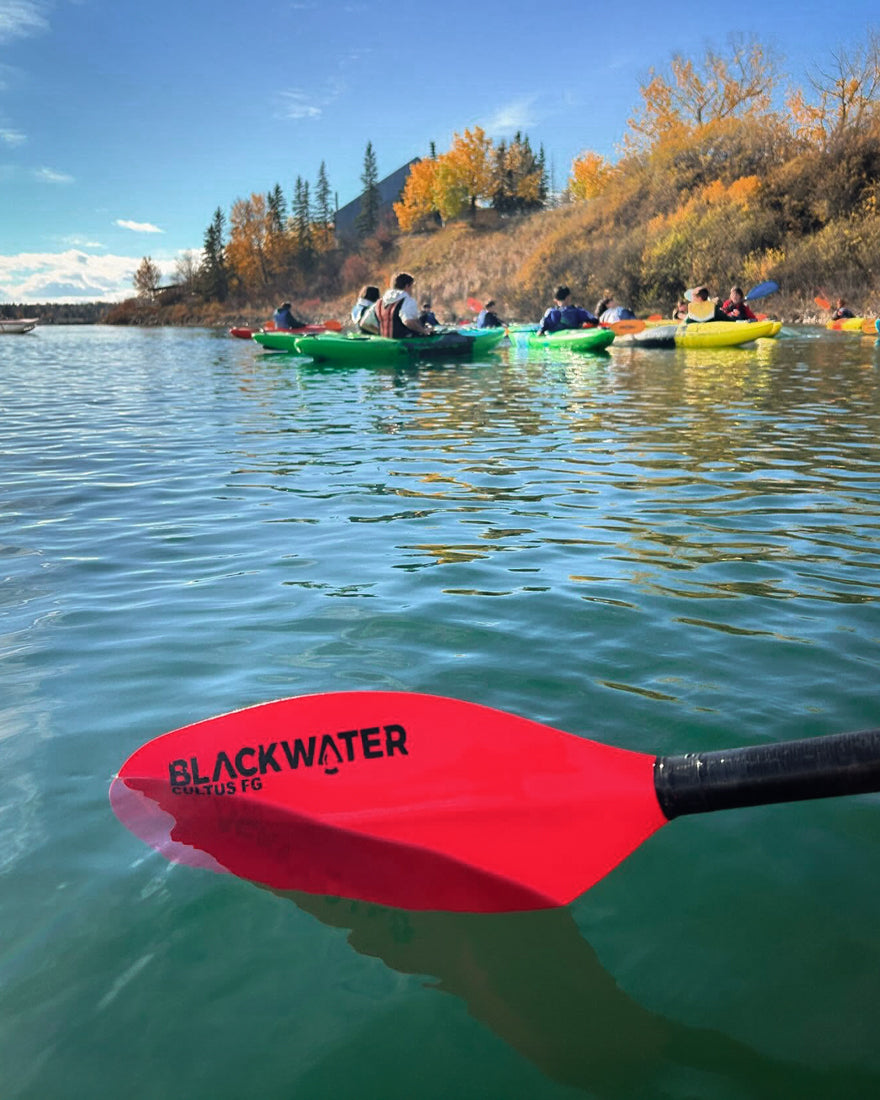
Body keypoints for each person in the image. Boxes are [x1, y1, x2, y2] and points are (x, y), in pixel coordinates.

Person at [375, 272, 434, 338]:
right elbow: (408, 322)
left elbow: (367, 323)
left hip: (384, 340)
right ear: (407, 286)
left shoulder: (380, 302)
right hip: (404, 340)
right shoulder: (407, 300)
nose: (412, 290)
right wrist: (424, 331)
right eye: (412, 287)